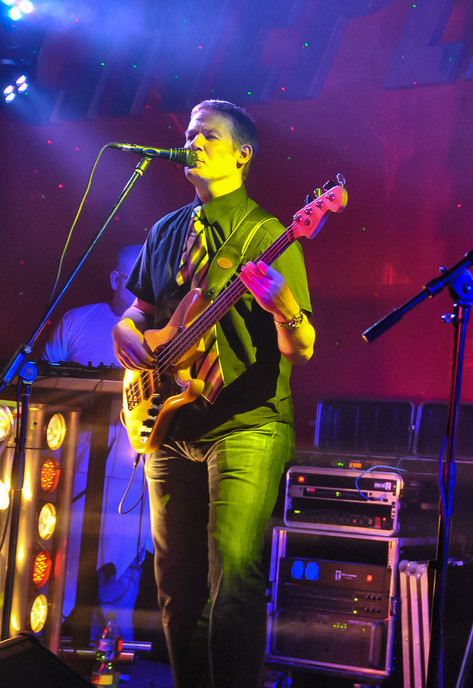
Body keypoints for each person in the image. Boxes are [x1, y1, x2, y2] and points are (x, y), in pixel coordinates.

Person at [112, 99, 315, 687]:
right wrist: (126, 329)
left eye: (209, 136)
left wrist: (283, 307)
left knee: (233, 580)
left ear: (241, 154)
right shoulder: (166, 230)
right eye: (191, 133)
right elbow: (141, 309)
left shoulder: (269, 234)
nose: (193, 142)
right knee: (175, 586)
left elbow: (302, 347)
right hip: (170, 420)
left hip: (246, 423)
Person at [44, 244, 155, 644]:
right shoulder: (79, 321)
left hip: (128, 477)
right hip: (71, 470)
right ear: (115, 279)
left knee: (119, 574)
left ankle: (108, 659)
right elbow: (44, 386)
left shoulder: (161, 330)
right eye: (137, 277)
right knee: (59, 561)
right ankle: (47, 646)